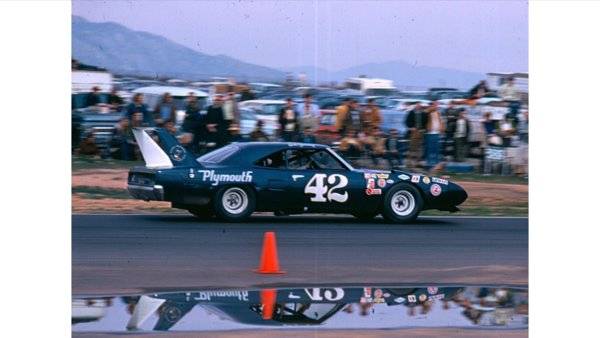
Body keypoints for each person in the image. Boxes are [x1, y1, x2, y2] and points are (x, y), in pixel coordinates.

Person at [405, 103, 427, 168]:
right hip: (413, 132)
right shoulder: (411, 113)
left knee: (419, 148)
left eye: (419, 106)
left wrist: (423, 129)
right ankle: (409, 163)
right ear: (415, 107)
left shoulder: (423, 113)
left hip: (421, 132)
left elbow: (426, 122)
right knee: (411, 147)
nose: (418, 107)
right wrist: (411, 127)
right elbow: (407, 122)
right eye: (417, 106)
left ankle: (418, 163)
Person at [425, 101, 445, 168]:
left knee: (436, 148)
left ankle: (436, 161)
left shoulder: (438, 113)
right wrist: (432, 108)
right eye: (435, 105)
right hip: (430, 133)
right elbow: (427, 111)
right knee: (430, 148)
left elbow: (441, 121)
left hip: (437, 133)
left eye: (437, 105)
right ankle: (429, 161)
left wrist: (442, 129)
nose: (436, 106)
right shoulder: (428, 112)